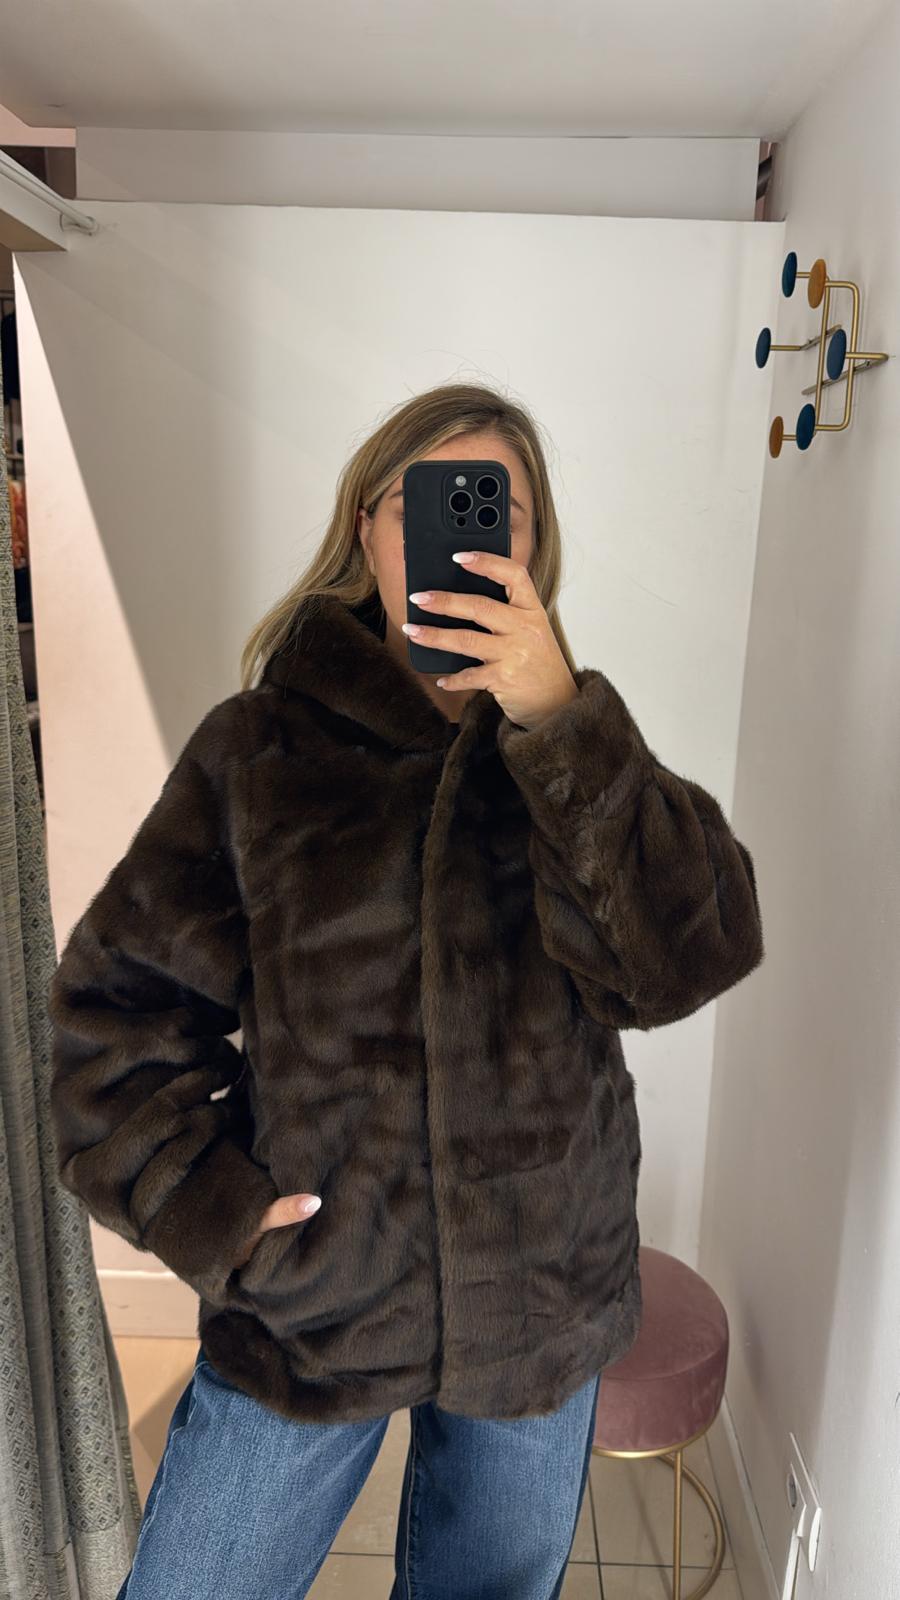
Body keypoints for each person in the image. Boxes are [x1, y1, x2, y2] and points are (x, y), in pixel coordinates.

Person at [48, 381, 765, 1600]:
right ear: (367, 530)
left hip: (539, 1306)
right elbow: (111, 1024)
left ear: (533, 548)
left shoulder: (575, 752)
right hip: (315, 1304)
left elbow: (686, 959)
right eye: (427, 503)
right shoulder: (260, 751)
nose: (464, 534)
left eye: (500, 511)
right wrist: (220, 1214)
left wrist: (563, 726)